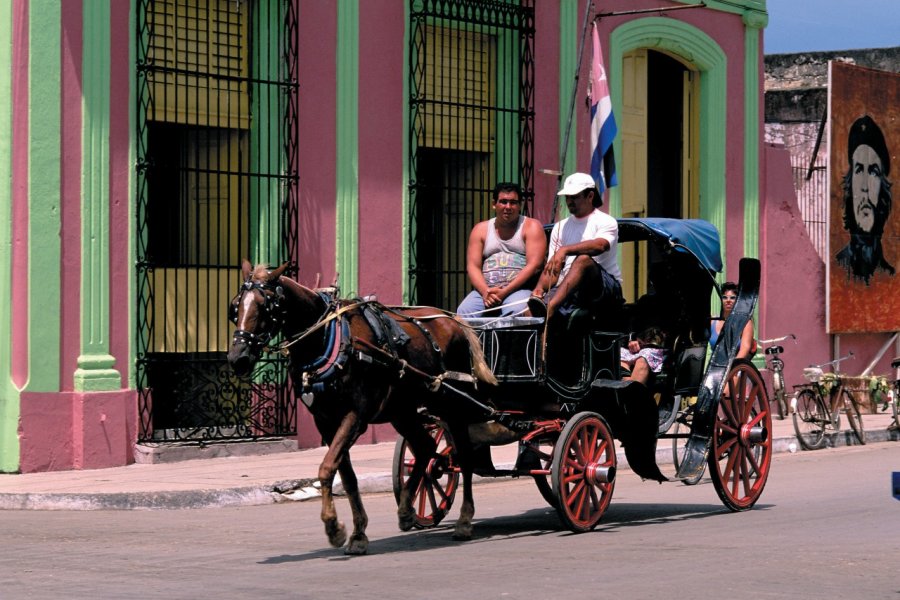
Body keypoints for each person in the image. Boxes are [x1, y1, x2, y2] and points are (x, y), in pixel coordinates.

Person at [527, 172, 623, 321]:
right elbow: (553, 268)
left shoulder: (606, 221)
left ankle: (550, 308)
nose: (570, 201)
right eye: (567, 197)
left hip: (605, 289)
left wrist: (565, 250)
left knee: (583, 260)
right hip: (570, 288)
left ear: (590, 196)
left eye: (575, 197)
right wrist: (539, 290)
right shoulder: (560, 227)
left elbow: (600, 245)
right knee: (530, 313)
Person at [456, 182, 547, 317]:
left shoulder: (531, 226)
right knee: (464, 312)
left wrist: (505, 292)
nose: (508, 207)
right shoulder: (480, 229)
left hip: (519, 290)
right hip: (485, 292)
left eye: (513, 203)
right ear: (494, 204)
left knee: (516, 311)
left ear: (520, 205)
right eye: (503, 202)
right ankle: (481, 339)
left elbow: (534, 265)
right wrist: (485, 291)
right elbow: (473, 266)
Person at [835, 114, 894, 285]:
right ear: (850, 183)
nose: (865, 187)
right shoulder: (838, 268)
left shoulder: (888, 277)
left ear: (883, 189)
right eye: (859, 170)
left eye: (874, 172)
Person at [709, 282, 756, 359]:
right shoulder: (712, 321)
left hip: (736, 366)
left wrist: (731, 368)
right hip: (714, 368)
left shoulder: (745, 322)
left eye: (732, 298)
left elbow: (745, 349)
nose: (728, 300)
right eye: (724, 297)